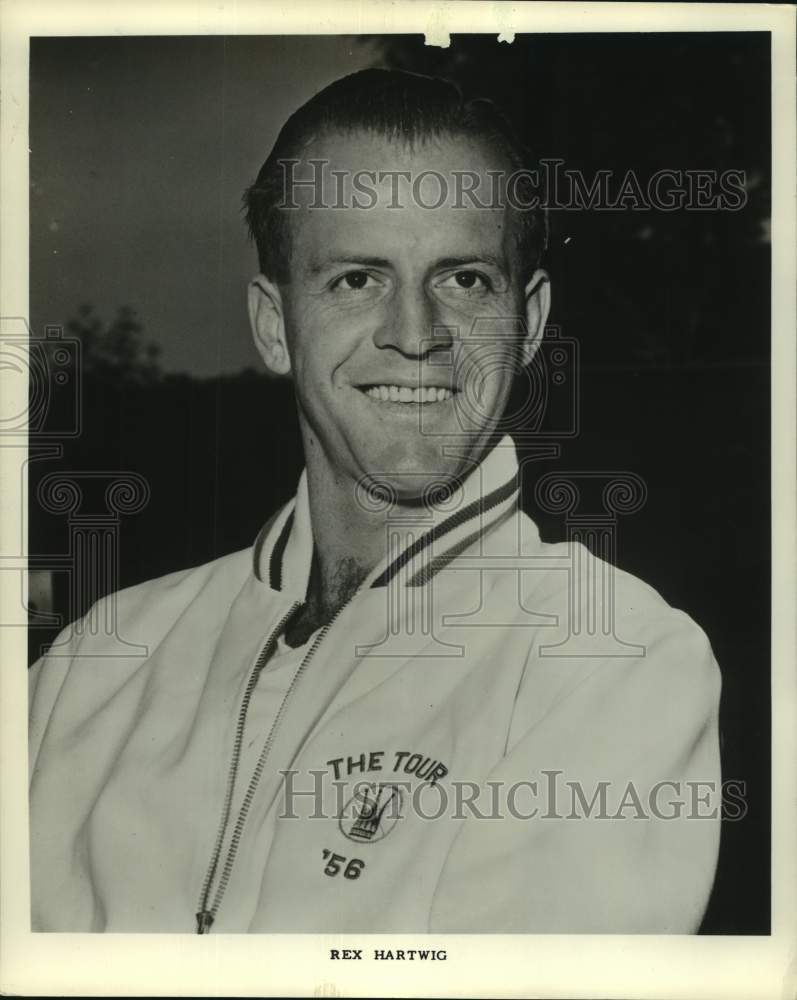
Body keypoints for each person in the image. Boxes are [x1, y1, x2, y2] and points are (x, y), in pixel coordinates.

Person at [28, 68, 721, 934]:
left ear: (530, 322)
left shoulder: (614, 658)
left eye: (464, 280)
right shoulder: (91, 664)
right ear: (275, 325)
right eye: (357, 279)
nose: (416, 333)